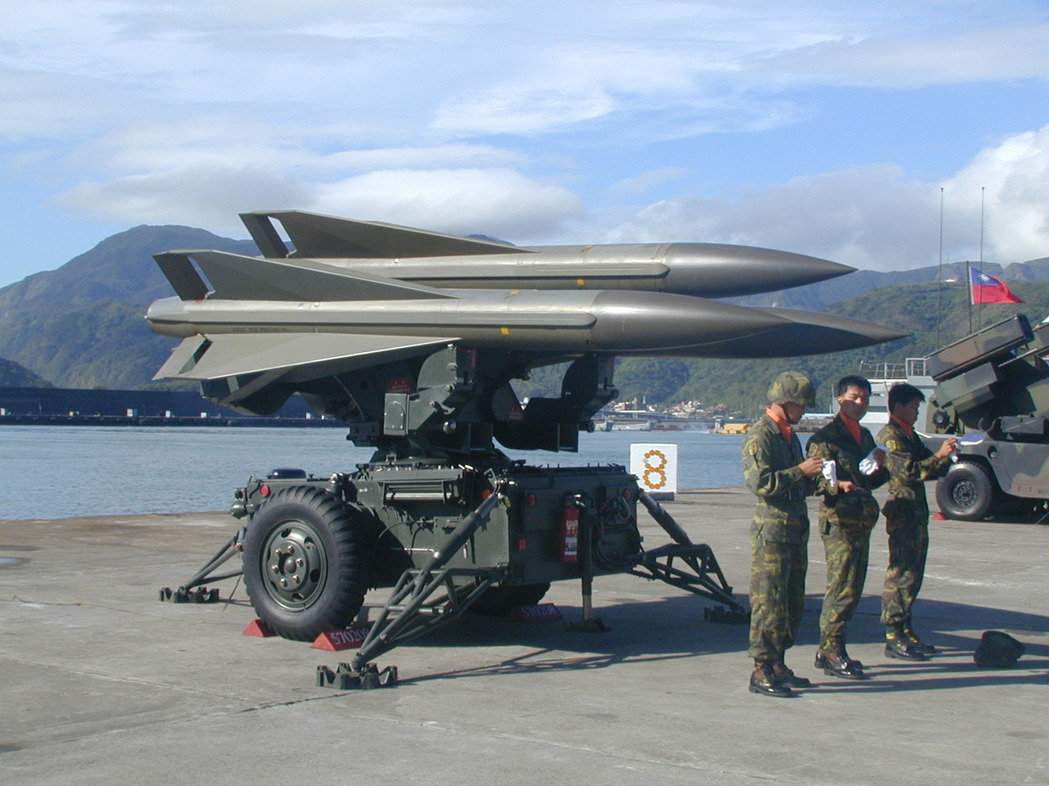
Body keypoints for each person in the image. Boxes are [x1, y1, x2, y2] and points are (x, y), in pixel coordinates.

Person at [742, 371, 824, 698]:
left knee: (791, 599)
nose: (803, 411)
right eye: (800, 405)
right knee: (768, 599)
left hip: (794, 526)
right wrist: (799, 471)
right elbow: (760, 484)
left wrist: (822, 481)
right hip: (772, 529)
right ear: (786, 403)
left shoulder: (789, 436)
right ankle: (760, 668)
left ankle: (778, 662)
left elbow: (798, 483)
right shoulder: (760, 437)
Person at [806, 376, 888, 680]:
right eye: (855, 397)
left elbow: (870, 481)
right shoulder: (826, 438)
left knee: (853, 587)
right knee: (841, 587)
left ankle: (830, 648)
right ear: (840, 399)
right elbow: (817, 480)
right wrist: (836, 484)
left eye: (865, 398)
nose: (861, 402)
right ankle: (830, 649)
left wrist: (879, 464)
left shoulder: (864, 436)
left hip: (861, 520)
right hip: (839, 521)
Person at [877, 383, 958, 661]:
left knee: (914, 573)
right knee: (900, 573)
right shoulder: (892, 436)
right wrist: (939, 457)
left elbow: (926, 461)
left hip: (915, 511)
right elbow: (909, 471)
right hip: (903, 511)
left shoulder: (908, 434)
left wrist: (946, 457)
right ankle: (892, 633)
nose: (915, 412)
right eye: (912, 407)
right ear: (898, 407)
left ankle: (905, 628)